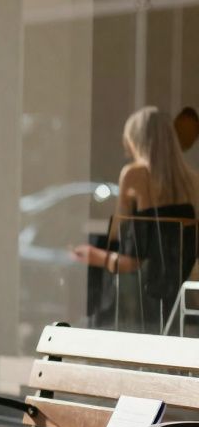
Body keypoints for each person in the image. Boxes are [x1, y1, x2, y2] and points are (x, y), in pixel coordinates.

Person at [73, 106, 199, 333]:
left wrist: (93, 255)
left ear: (136, 140)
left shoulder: (135, 175)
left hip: (140, 309)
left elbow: (131, 258)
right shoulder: (193, 183)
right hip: (179, 305)